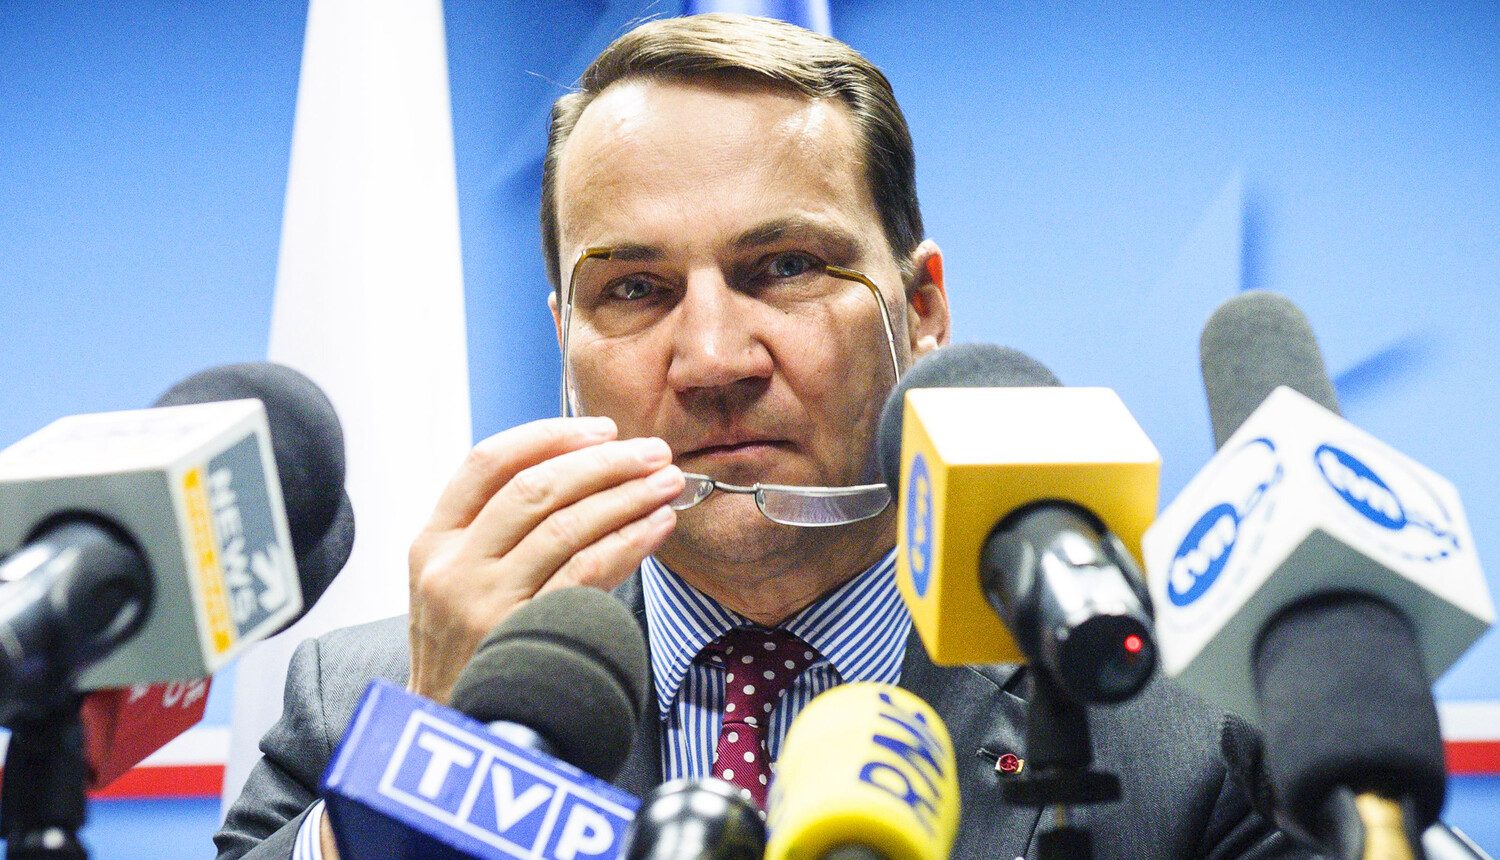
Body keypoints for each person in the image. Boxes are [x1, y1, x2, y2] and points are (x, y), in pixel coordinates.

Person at [216, 13, 1311, 859]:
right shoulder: (361, 710)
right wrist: (423, 774)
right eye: (633, 288)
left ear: (923, 309)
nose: (712, 358)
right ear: (565, 338)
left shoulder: (1196, 723)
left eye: (784, 267)